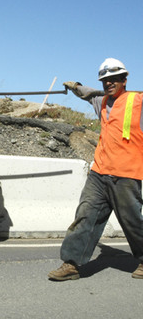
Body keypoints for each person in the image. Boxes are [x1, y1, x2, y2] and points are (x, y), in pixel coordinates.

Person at [48, 58, 143, 280]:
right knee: (85, 215)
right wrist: (76, 87)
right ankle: (71, 264)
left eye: (113, 79)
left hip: (127, 175)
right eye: (105, 80)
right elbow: (88, 94)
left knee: (132, 221)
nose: (108, 83)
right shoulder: (101, 101)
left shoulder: (138, 102)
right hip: (99, 173)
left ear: (124, 79)